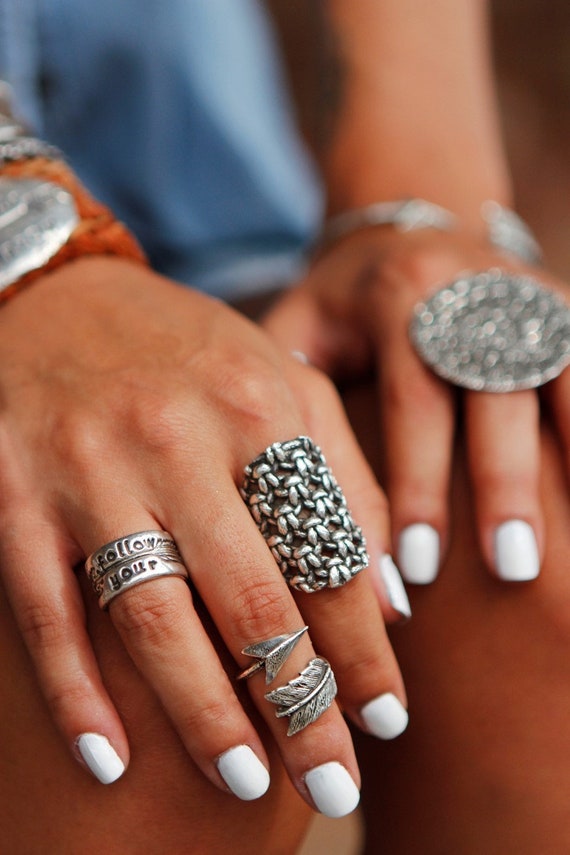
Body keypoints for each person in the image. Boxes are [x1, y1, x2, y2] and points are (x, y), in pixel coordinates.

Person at [0, 1, 568, 852]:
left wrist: (414, 201)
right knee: (159, 722)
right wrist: (31, 256)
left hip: (196, 173)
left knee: (513, 546)